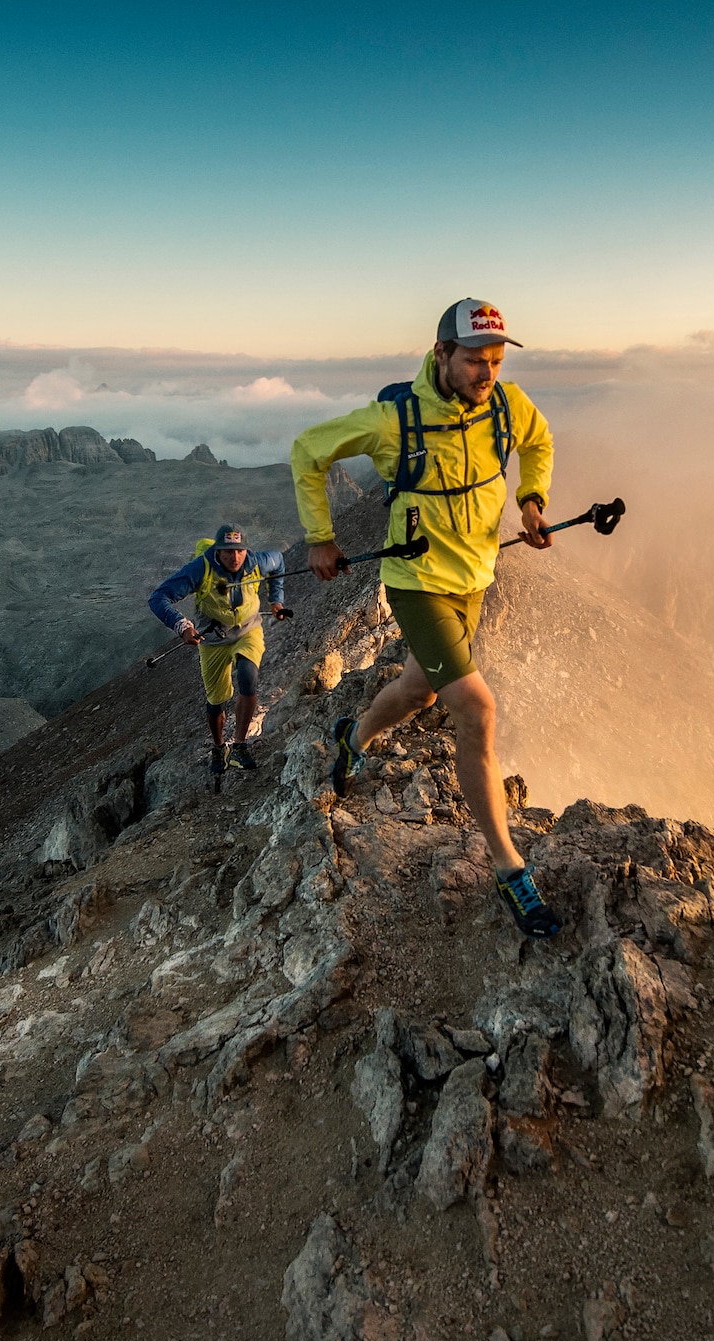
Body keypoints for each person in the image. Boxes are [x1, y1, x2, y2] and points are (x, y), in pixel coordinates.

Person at [288, 298, 560, 937]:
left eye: (494, 360)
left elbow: (539, 440)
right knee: (477, 709)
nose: (486, 373)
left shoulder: (505, 406)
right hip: (416, 584)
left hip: (473, 582)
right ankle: (509, 868)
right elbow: (308, 450)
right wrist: (319, 537)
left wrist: (532, 499)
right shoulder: (394, 421)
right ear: (441, 355)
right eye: (473, 361)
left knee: (420, 689)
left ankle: (351, 738)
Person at [148, 523, 291, 774]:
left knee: (249, 678)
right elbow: (159, 597)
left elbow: (278, 561)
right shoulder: (200, 569)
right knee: (216, 700)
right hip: (212, 639)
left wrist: (276, 601)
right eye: (227, 551)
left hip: (248, 630)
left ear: (246, 549)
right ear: (217, 550)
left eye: (239, 550)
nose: (234, 557)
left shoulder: (256, 561)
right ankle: (218, 747)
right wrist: (181, 626)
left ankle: (239, 746)